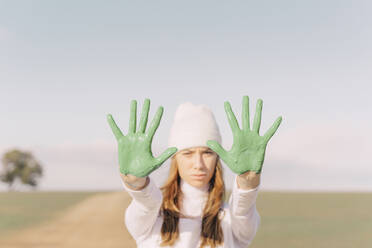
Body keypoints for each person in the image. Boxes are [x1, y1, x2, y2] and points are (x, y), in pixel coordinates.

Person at [107, 96, 282, 248]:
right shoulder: (152, 217)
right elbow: (146, 203)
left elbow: (243, 210)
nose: (198, 164)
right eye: (188, 153)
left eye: (207, 153)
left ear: (217, 157)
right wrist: (137, 183)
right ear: (174, 158)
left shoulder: (231, 219)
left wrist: (247, 181)